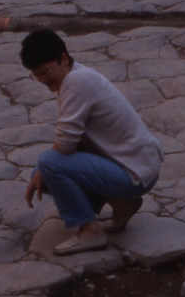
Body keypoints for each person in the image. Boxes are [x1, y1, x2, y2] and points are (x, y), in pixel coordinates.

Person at [21, 29, 162, 256]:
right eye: (36, 75)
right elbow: (73, 139)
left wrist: (42, 168)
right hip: (134, 166)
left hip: (134, 172)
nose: (43, 80)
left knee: (48, 163)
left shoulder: (77, 81)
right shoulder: (76, 76)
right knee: (43, 172)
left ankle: (90, 231)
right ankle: (122, 203)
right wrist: (41, 171)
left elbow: (65, 144)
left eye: (45, 72)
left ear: (63, 58)